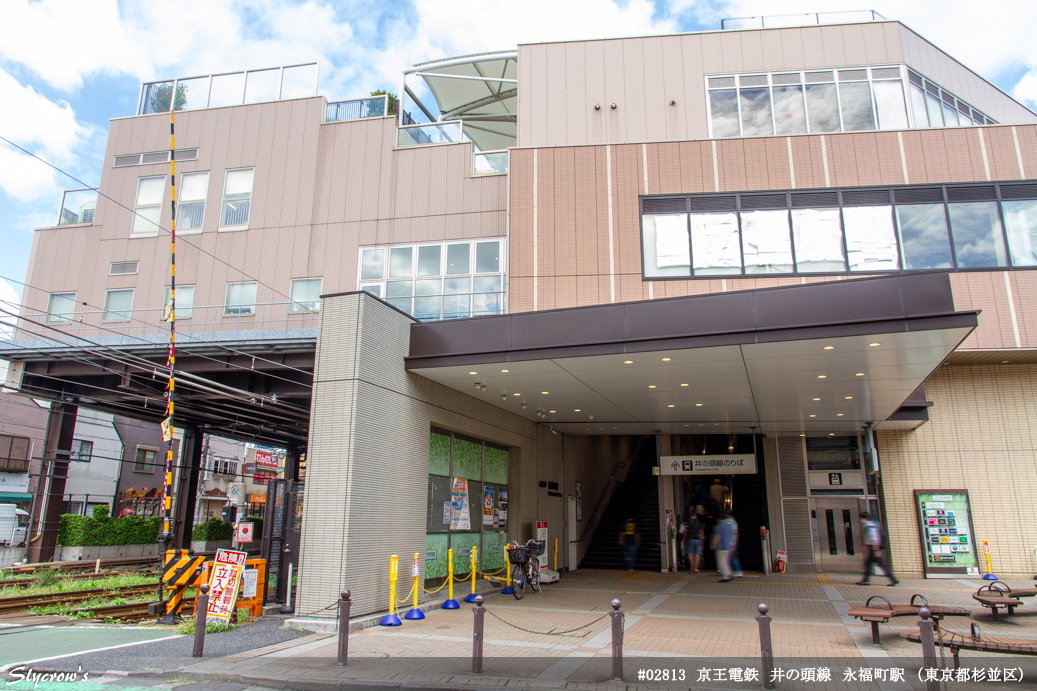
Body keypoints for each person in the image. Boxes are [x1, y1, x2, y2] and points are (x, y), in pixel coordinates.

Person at [857, 511, 898, 586]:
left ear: (865, 518)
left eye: (861, 518)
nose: (861, 520)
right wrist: (864, 546)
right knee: (869, 564)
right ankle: (866, 580)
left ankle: (893, 579)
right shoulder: (872, 525)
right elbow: (868, 539)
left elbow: (873, 539)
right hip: (873, 548)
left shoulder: (869, 527)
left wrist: (876, 550)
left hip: (874, 548)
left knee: (879, 565)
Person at [712, 511, 735, 582]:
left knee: (722, 562)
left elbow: (717, 536)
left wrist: (713, 544)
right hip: (729, 546)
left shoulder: (719, 526)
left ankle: (726, 576)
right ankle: (728, 573)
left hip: (722, 547)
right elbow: (733, 535)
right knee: (726, 561)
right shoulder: (728, 525)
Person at [724, 513, 744, 578]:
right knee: (732, 557)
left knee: (731, 557)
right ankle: (735, 571)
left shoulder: (728, 522)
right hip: (733, 542)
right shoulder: (734, 522)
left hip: (729, 542)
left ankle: (737, 571)